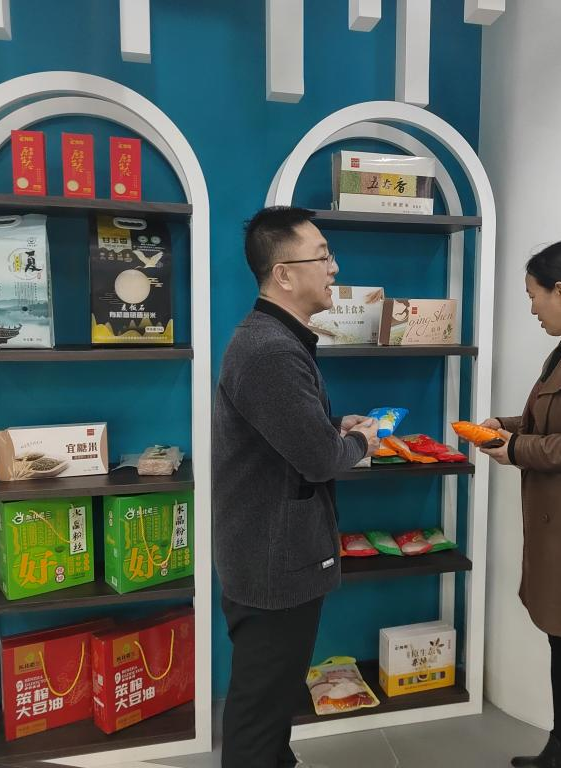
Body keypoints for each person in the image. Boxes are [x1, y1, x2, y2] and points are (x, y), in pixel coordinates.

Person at [212, 206, 381, 768]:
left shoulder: (274, 339)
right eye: (323, 256)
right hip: (273, 558)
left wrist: (332, 426)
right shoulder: (270, 350)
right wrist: (361, 441)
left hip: (270, 551)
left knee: (272, 696)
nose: (334, 268)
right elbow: (320, 460)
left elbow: (286, 435)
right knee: (261, 709)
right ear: (284, 274)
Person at [479, 241, 561, 768]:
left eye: (533, 296)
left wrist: (517, 449)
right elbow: (550, 422)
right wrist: (505, 428)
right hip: (555, 522)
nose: (531, 308)